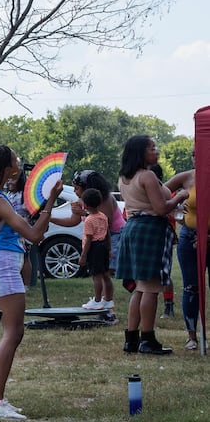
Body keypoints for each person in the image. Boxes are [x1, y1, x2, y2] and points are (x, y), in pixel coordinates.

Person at [0, 145, 63, 419]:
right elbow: (35, 235)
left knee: (12, 332)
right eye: (15, 159)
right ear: (6, 168)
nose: (20, 162)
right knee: (13, 332)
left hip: (0, 263)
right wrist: (50, 200)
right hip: (4, 265)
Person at [117, 135, 188, 356]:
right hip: (149, 229)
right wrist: (181, 196)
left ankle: (132, 339)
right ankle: (148, 339)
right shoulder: (146, 176)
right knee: (150, 287)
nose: (156, 151)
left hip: (133, 227)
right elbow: (160, 208)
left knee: (140, 286)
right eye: (152, 148)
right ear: (140, 152)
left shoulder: (124, 177)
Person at [55, 169, 124, 313]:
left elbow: (105, 222)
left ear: (88, 188)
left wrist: (85, 213)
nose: (75, 191)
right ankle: (105, 301)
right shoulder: (82, 202)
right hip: (101, 239)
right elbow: (72, 221)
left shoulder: (104, 199)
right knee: (104, 272)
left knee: (101, 272)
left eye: (77, 188)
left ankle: (101, 301)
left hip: (112, 235)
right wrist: (49, 217)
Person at [168, 153, 198, 351]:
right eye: (194, 153)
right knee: (191, 287)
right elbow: (160, 193)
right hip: (190, 237)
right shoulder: (186, 177)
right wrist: (175, 210)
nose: (197, 156)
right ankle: (192, 336)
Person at [80, 189, 112, 311]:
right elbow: (108, 233)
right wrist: (109, 249)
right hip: (103, 246)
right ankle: (108, 299)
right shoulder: (103, 216)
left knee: (96, 275)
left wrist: (83, 255)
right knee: (105, 274)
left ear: (86, 205)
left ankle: (97, 301)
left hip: (94, 248)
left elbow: (88, 239)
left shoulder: (89, 220)